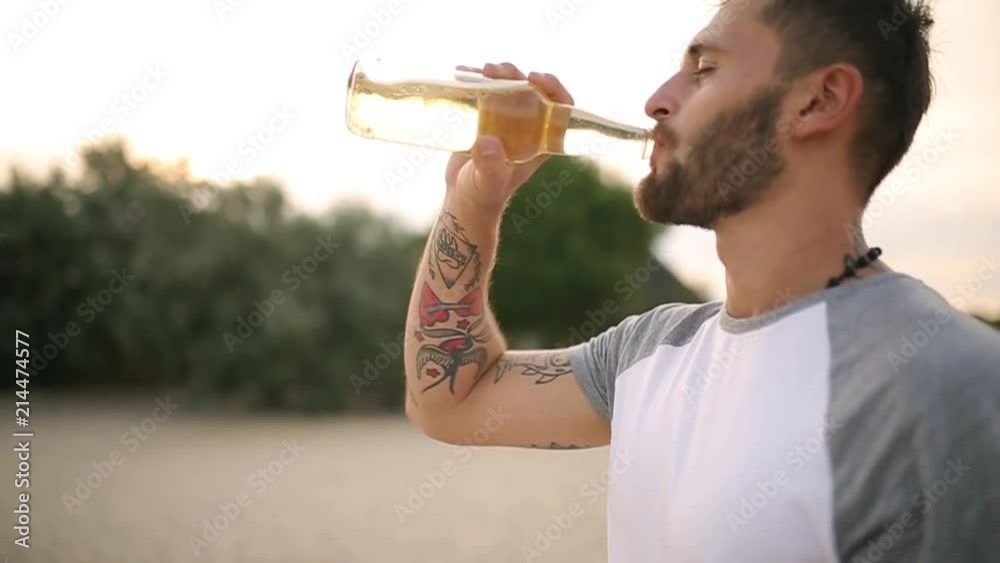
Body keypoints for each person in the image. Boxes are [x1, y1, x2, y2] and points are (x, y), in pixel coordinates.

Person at [402, 0, 1000, 560]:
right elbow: (452, 402)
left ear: (818, 101)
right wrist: (473, 204)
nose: (657, 102)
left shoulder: (947, 384)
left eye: (705, 70)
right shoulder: (651, 351)